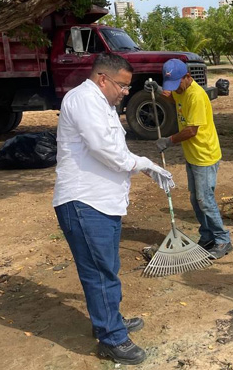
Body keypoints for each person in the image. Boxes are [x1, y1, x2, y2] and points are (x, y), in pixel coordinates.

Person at [53, 53, 174, 365]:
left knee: (107, 268)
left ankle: (110, 321)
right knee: (100, 272)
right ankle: (111, 338)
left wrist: (141, 165)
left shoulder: (102, 104)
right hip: (84, 202)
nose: (125, 91)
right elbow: (105, 150)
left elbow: (115, 146)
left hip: (101, 201)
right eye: (121, 85)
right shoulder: (82, 100)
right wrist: (143, 163)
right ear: (102, 78)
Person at [155, 58, 233, 259]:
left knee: (204, 199)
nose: (175, 89)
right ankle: (207, 235)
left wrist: (169, 140)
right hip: (192, 155)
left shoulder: (196, 96)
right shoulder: (180, 91)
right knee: (195, 198)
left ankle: (223, 239)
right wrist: (157, 91)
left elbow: (191, 130)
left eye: (177, 84)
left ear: (187, 77)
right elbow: (174, 98)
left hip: (204, 155)